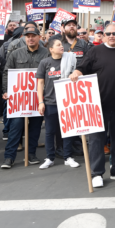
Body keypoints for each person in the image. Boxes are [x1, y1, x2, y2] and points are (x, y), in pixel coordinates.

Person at [69, 23, 115, 188]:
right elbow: (82, 67)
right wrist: (77, 73)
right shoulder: (95, 51)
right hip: (97, 104)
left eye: (114, 33)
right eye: (108, 33)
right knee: (97, 139)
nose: (111, 36)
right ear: (103, 35)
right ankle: (96, 173)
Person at [1, 25, 49, 170]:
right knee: (15, 127)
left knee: (35, 127)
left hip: (38, 98)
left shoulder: (47, 54)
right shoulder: (15, 54)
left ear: (39, 37)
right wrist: (6, 91)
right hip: (18, 99)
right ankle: (9, 157)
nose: (30, 38)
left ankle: (32, 154)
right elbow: (6, 73)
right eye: (27, 36)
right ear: (24, 38)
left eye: (33, 36)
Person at [36, 38, 81, 170]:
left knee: (68, 131)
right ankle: (50, 158)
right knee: (49, 132)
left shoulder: (71, 61)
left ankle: (68, 157)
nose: (62, 47)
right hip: (50, 102)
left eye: (62, 45)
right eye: (58, 45)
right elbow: (40, 83)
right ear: (51, 49)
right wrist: (40, 101)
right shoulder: (45, 62)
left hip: (67, 102)